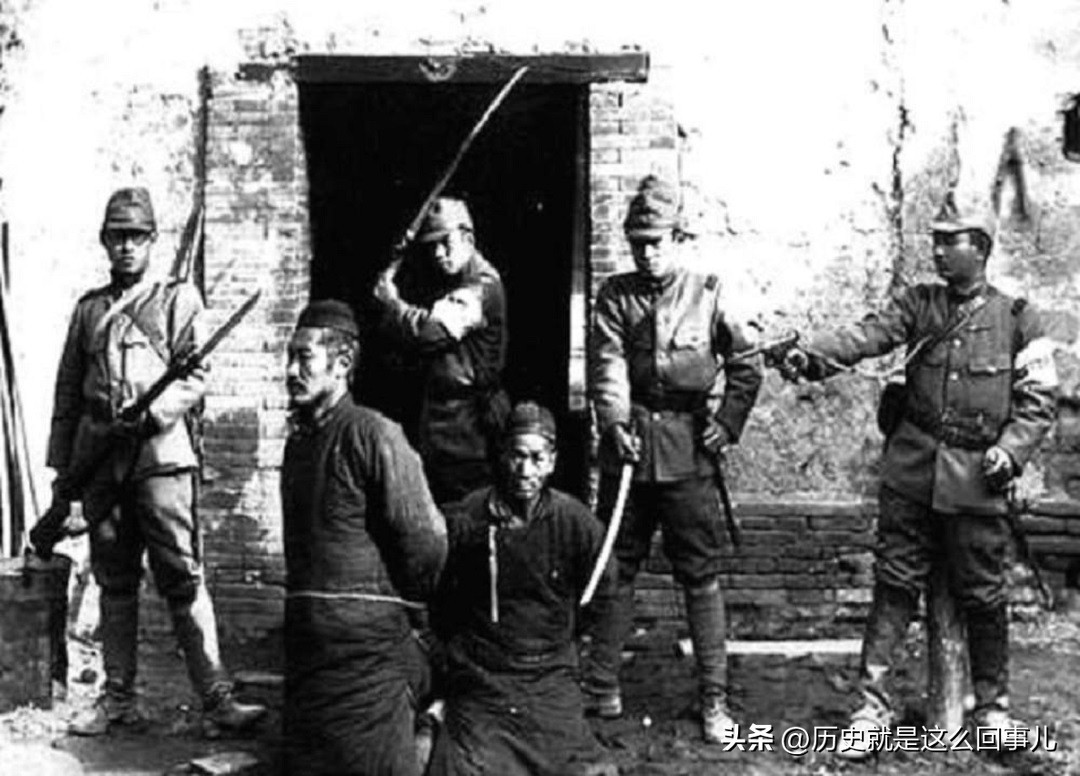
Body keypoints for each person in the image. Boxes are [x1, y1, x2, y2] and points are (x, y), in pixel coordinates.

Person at [780, 201, 1058, 758]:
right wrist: (809, 355)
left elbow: (1038, 400)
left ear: (980, 248)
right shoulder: (918, 304)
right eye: (935, 239)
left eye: (950, 240)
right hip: (911, 472)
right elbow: (865, 336)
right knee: (893, 586)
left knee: (984, 595)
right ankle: (871, 709)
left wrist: (1010, 452)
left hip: (977, 480)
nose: (937, 250)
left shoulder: (1020, 319)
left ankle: (993, 710)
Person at [45, 187, 266, 735]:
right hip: (103, 465)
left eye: (136, 237)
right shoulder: (89, 310)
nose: (127, 247)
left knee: (182, 577)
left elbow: (195, 376)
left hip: (161, 460)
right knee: (114, 581)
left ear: (152, 241)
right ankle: (117, 701)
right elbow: (68, 394)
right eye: (117, 237)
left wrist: (153, 416)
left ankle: (217, 701)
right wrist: (64, 474)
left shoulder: (176, 300)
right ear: (104, 242)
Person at [582, 175, 764, 743]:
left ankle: (714, 699)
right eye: (638, 244)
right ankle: (602, 686)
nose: (647, 253)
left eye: (657, 242)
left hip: (689, 454)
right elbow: (607, 364)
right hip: (630, 454)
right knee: (617, 568)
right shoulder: (615, 296)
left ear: (678, 238)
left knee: (700, 576)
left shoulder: (710, 292)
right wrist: (614, 423)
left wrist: (726, 424)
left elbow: (748, 363)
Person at [281, 298, 448, 776]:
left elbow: (426, 541)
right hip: (312, 652)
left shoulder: (373, 434)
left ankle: (430, 727)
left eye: (304, 358)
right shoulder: (298, 445)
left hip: (368, 650)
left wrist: (403, 608)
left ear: (343, 363)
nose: (291, 371)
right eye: (289, 358)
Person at [427, 401, 616, 776]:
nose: (525, 471)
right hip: (485, 674)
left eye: (536, 458)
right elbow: (441, 593)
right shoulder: (470, 515)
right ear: (502, 456)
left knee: (580, 768)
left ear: (552, 462)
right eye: (516, 456)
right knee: (465, 766)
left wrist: (566, 639)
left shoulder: (573, 521)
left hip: (549, 674)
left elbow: (602, 592)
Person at [372, 197, 509, 504]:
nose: (438, 253)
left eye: (446, 242)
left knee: (468, 508)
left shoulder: (481, 286)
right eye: (432, 245)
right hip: (444, 421)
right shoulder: (453, 280)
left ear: (468, 239)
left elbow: (430, 332)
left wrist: (392, 304)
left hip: (469, 425)